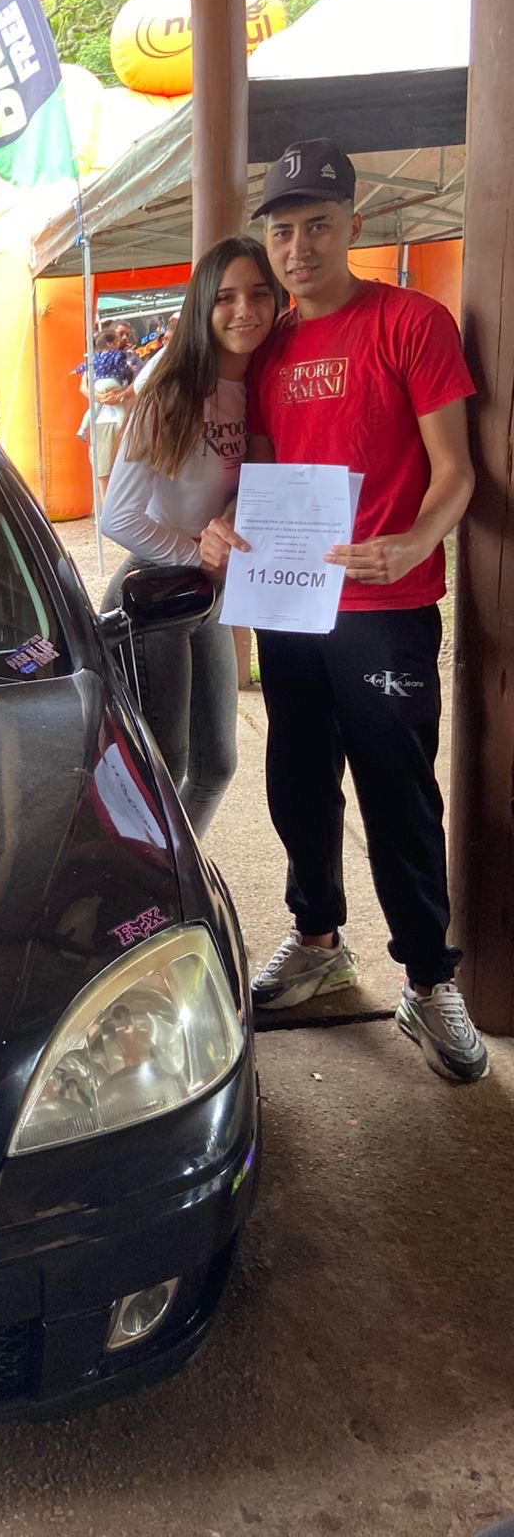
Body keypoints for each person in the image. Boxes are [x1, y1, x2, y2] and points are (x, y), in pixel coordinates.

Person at [199, 138, 487, 1083]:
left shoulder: (411, 322)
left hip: (385, 603)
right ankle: (318, 938)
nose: (299, 248)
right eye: (282, 231)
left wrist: (416, 539)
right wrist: (224, 527)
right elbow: (262, 472)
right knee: (296, 779)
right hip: (290, 599)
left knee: (398, 793)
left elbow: (456, 471)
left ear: (353, 225)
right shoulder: (267, 345)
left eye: (318, 225)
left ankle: (428, 977)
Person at [99, 235, 285, 839]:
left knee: (216, 768)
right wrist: (196, 553)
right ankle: (140, 877)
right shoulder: (171, 393)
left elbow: (251, 484)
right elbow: (117, 517)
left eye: (259, 293)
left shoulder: (265, 390)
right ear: (203, 305)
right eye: (226, 296)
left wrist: (228, 526)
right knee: (160, 769)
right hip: (153, 594)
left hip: (210, 595)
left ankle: (178, 874)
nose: (244, 310)